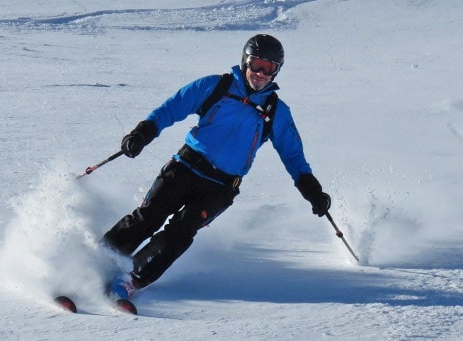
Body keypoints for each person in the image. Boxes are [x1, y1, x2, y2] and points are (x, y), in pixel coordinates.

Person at [103, 34, 331, 299]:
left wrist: (311, 190)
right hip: (185, 167)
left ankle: (131, 279)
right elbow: (172, 108)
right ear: (245, 62)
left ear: (276, 71)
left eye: (268, 68)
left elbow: (293, 156)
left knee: (181, 232)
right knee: (149, 217)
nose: (260, 73)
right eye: (256, 64)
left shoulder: (276, 111)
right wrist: (142, 133)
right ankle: (100, 260)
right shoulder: (216, 86)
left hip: (221, 187)